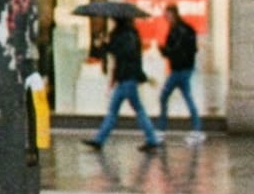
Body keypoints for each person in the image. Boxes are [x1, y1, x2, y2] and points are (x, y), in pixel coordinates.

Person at [83, 16, 163, 152]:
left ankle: (151, 139)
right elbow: (122, 53)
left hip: (126, 78)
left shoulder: (125, 35)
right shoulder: (131, 34)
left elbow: (121, 53)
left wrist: (106, 44)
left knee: (123, 110)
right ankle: (100, 140)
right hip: (127, 78)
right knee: (128, 110)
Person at [157, 8, 204, 143]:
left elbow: (175, 49)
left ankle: (161, 129)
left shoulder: (178, 30)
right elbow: (191, 49)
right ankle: (197, 129)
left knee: (165, 96)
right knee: (186, 97)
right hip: (184, 68)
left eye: (168, 16)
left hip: (179, 69)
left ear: (174, 15)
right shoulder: (185, 29)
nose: (166, 18)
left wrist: (164, 50)